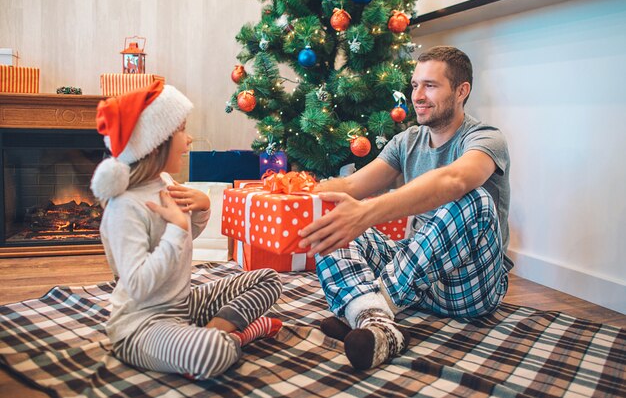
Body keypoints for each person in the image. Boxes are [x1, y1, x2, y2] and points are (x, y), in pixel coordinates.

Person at [298, 46, 512, 370]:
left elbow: (455, 180)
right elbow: (354, 187)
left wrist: (367, 213)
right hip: (414, 278)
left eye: (430, 85)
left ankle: (368, 308)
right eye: (414, 85)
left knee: (474, 199)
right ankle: (378, 325)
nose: (417, 96)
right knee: (335, 217)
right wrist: (295, 188)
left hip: (469, 285)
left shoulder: (485, 138)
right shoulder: (407, 140)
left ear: (461, 91)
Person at [90, 81, 283, 380]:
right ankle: (236, 337)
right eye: (181, 130)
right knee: (212, 353)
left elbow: (183, 243)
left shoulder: (164, 183)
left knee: (268, 279)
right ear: (157, 142)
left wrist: (201, 209)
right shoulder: (124, 207)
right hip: (141, 325)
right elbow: (139, 284)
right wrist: (177, 229)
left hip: (182, 305)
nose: (189, 139)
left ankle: (210, 333)